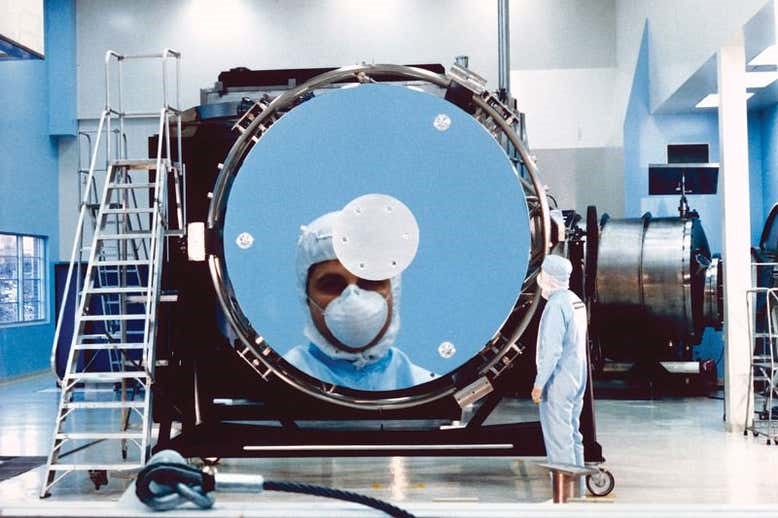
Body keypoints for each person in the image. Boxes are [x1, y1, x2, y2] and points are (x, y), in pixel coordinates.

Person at [284, 211, 435, 391]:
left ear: (393, 292)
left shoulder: (433, 392)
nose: (353, 296)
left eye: (369, 280)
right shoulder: (274, 388)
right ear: (307, 298)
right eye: (332, 284)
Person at [531, 254, 588, 471]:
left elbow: (552, 351)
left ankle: (565, 497)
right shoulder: (575, 301)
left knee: (558, 440)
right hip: (576, 376)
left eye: (542, 273)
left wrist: (539, 384)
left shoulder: (555, 306)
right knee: (573, 435)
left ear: (550, 276)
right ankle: (577, 491)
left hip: (559, 381)